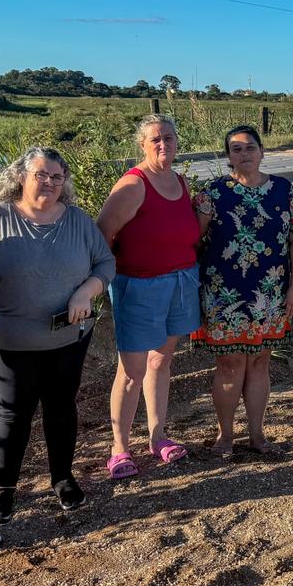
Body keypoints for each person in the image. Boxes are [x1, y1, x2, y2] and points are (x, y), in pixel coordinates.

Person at [0, 147, 116, 524]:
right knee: (12, 414)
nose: (49, 182)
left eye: (57, 177)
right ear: (21, 176)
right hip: (11, 341)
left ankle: (63, 478)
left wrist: (87, 291)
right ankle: (5, 489)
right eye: (41, 174)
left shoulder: (79, 221)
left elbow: (105, 262)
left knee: (62, 408)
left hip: (68, 338)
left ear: (64, 183)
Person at [97, 114, 201, 479]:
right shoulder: (133, 184)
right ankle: (119, 447)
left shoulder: (179, 181)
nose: (163, 145)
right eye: (155, 139)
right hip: (139, 286)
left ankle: (158, 436)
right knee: (132, 370)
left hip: (181, 281)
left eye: (169, 138)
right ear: (142, 145)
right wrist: (111, 279)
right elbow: (102, 234)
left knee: (161, 361)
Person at [194, 125, 293, 456]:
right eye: (236, 149)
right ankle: (225, 437)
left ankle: (257, 436)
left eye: (250, 147)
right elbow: (192, 240)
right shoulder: (211, 193)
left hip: (269, 295)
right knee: (229, 365)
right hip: (223, 296)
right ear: (228, 155)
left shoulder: (284, 190)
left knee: (259, 363)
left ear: (262, 151)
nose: (244, 154)